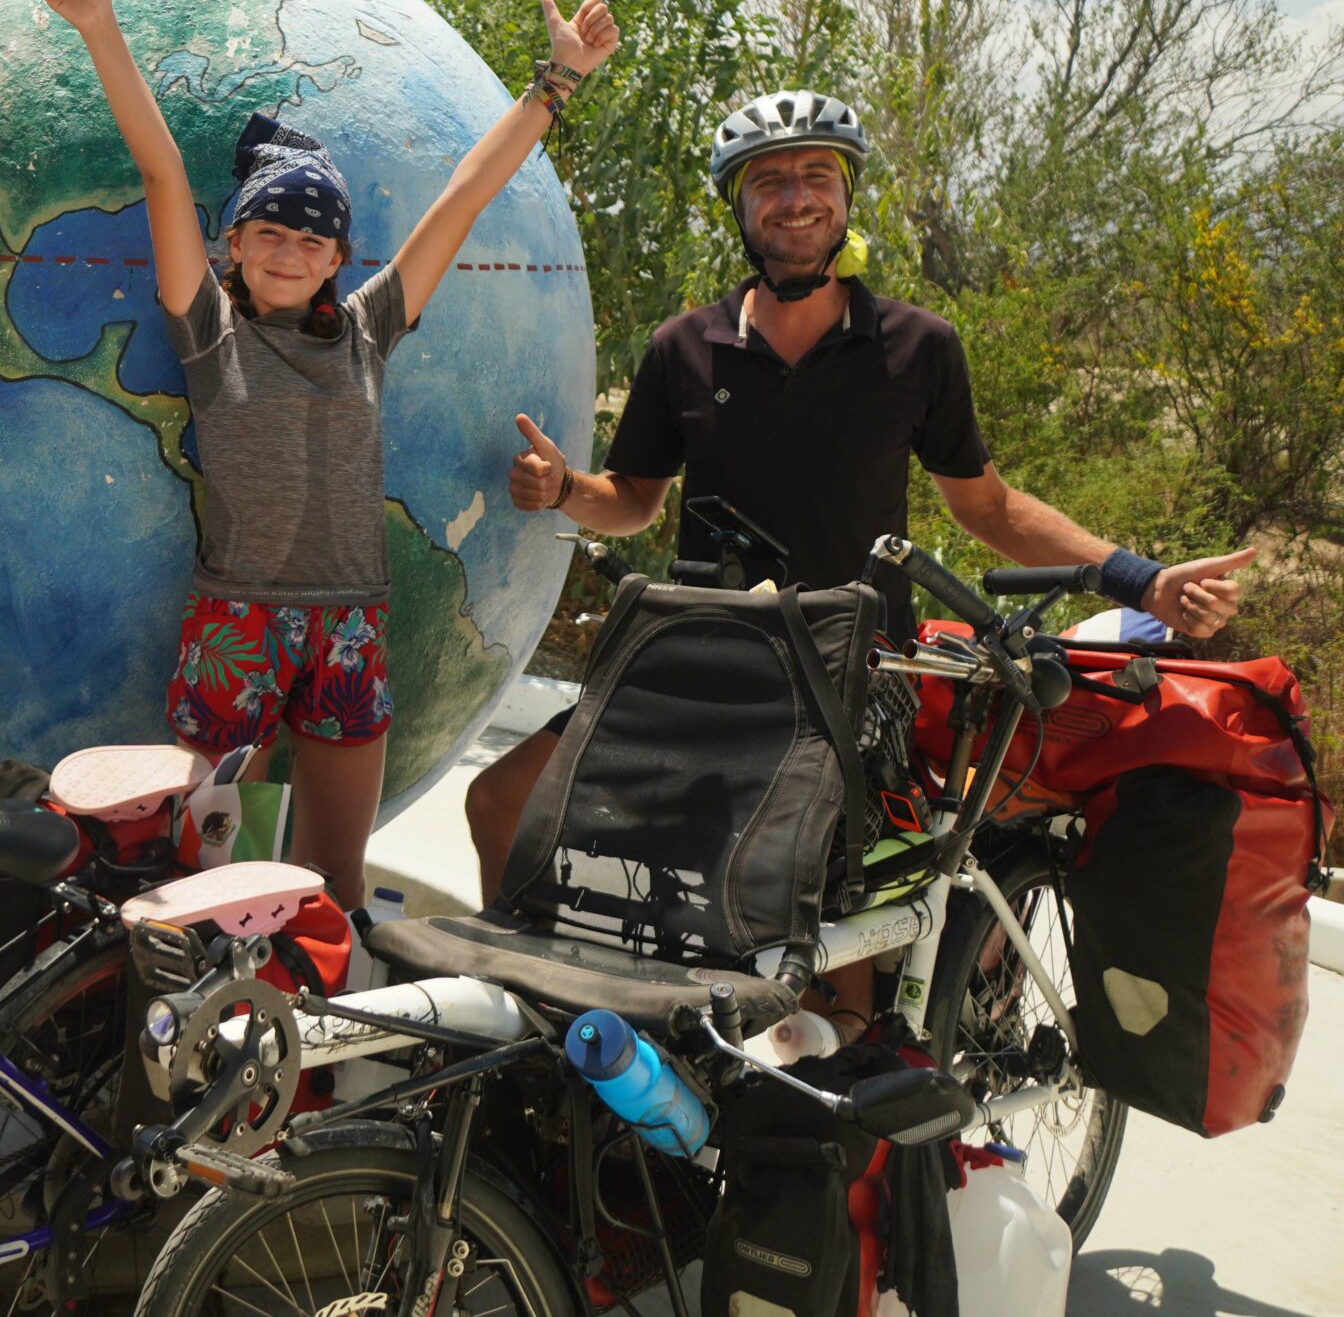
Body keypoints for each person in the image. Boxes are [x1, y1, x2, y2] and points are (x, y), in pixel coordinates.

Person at [468, 87, 1258, 915]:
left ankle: (840, 1035)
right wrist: (564, 489)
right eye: (768, 180)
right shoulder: (684, 348)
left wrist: (1142, 580)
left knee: (804, 904)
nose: (796, 196)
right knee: (499, 800)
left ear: (847, 198)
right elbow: (632, 500)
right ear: (739, 208)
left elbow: (988, 506)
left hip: (852, 680)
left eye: (817, 174)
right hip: (702, 656)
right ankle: (531, 1012)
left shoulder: (917, 348)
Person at [43, 0, 618, 909]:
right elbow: (161, 173)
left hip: (350, 628)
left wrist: (556, 81)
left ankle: (308, 1037)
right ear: (234, 244)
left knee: (333, 882)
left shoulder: (367, 331)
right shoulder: (207, 331)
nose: (289, 251)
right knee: (215, 881)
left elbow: (465, 195)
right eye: (270, 231)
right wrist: (99, 27)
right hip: (238, 631)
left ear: (337, 258)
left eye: (312, 238)